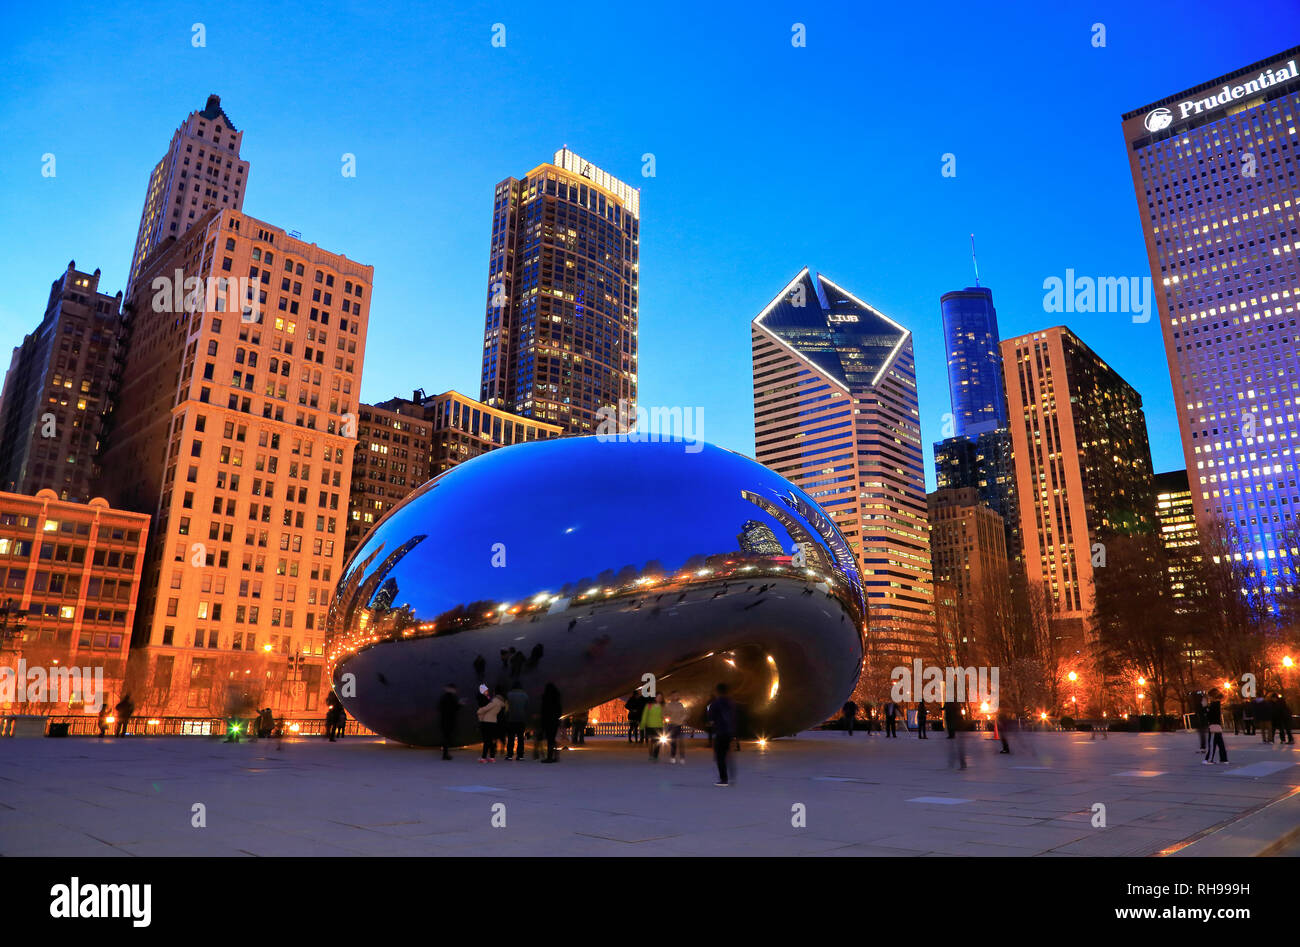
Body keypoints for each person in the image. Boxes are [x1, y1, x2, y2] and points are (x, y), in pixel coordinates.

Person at [706, 684, 737, 786]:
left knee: (720, 757)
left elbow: (711, 720)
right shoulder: (731, 702)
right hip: (729, 732)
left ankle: (724, 780)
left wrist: (712, 725)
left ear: (717, 691)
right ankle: (732, 777)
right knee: (728, 755)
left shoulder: (715, 703)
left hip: (720, 732)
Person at [476, 686, 507, 762]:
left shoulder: (495, 701)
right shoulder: (501, 702)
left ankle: (483, 758)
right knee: (490, 740)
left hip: (487, 721)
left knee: (487, 740)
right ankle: (492, 757)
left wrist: (479, 711)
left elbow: (486, 708)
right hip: (493, 721)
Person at [1203, 688, 1229, 764]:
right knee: (1220, 743)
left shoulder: (1214, 705)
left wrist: (1205, 708)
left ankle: (1209, 759)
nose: (1209, 698)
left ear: (1212, 696)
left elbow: (1210, 715)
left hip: (1213, 726)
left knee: (1212, 743)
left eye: (1209, 696)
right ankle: (1224, 759)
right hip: (1217, 725)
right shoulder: (1217, 704)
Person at [505, 681, 529, 760]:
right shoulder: (525, 695)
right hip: (521, 719)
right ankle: (520, 755)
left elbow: (506, 707)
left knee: (511, 738)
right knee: (520, 738)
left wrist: (506, 715)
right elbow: (527, 707)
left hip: (511, 719)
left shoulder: (509, 695)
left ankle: (509, 755)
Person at [539, 683, 562, 762]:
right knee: (553, 739)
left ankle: (549, 757)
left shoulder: (545, 698)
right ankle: (555, 756)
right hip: (554, 721)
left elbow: (543, 710)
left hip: (547, 721)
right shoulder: (557, 699)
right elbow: (559, 711)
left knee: (549, 739)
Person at [438, 684, 460, 760]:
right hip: (449, 720)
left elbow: (440, 707)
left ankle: (445, 754)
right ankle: (445, 754)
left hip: (444, 720)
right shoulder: (451, 698)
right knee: (447, 737)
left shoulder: (443, 697)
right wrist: (459, 704)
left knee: (446, 737)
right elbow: (454, 708)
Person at [943, 700, 967, 769]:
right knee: (958, 747)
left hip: (957, 726)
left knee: (958, 747)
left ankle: (960, 762)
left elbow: (955, 715)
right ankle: (960, 762)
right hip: (957, 726)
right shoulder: (954, 704)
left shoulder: (951, 704)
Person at [642, 693, 665, 760]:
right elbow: (645, 715)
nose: (659, 698)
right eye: (658, 697)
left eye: (661, 697)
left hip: (659, 726)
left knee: (659, 741)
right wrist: (642, 725)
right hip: (650, 725)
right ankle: (651, 755)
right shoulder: (649, 705)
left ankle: (655, 755)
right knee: (650, 741)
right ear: (655, 698)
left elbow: (664, 715)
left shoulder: (662, 706)